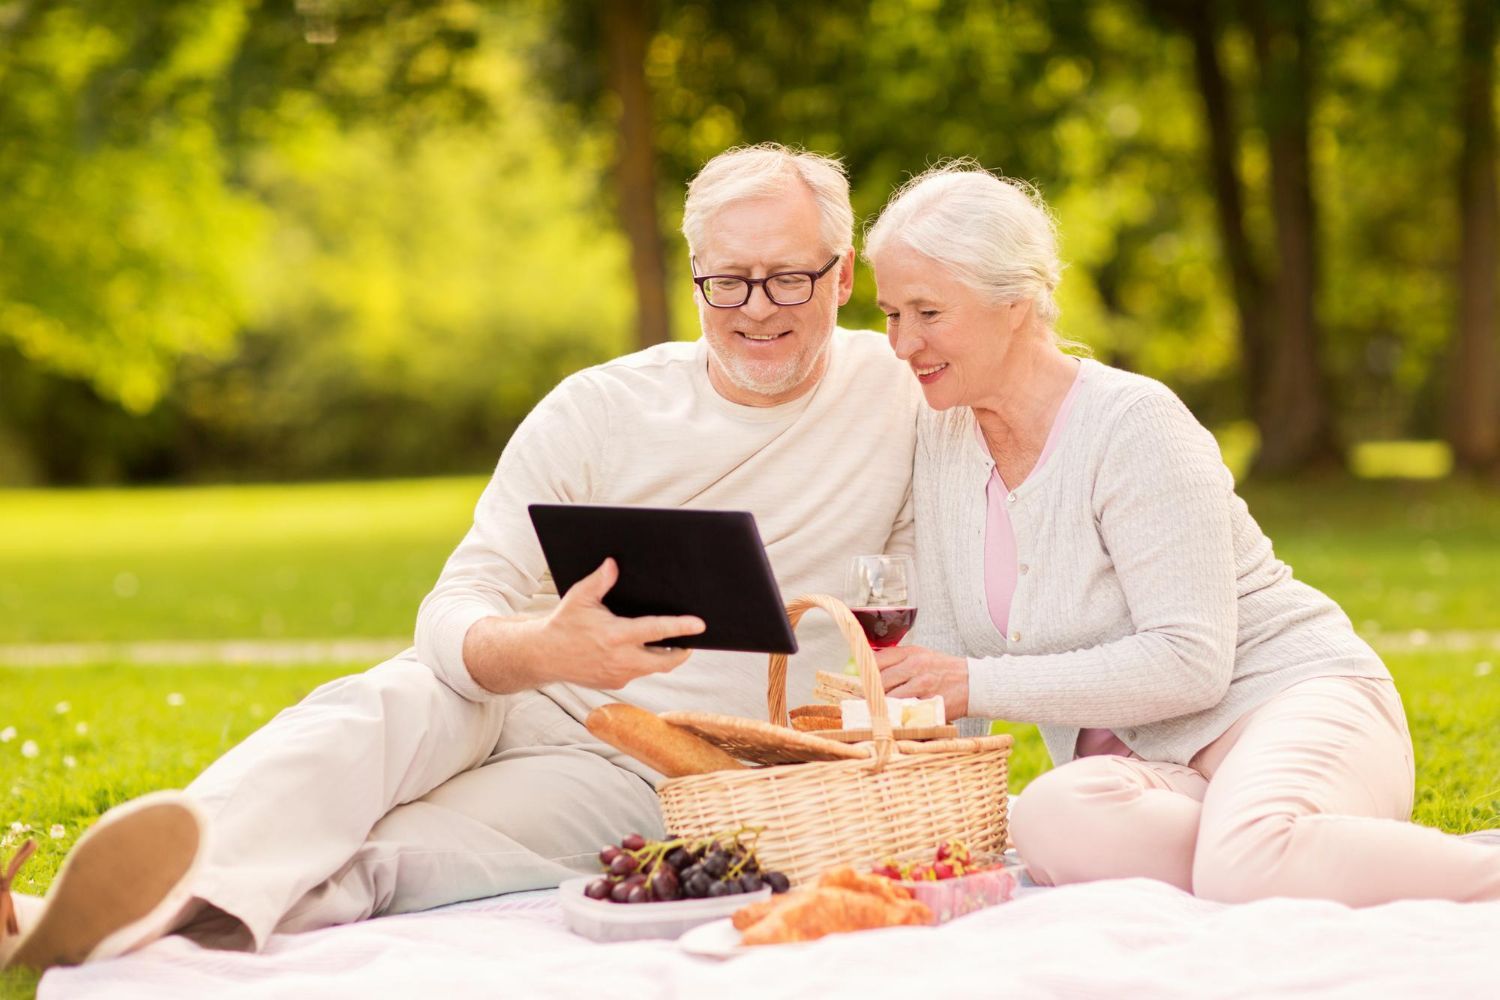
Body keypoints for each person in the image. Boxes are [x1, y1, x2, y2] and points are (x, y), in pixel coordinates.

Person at [0, 143, 921, 972]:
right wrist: (544, 651)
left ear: (842, 279)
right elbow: (456, 606)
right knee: (370, 713)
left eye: (788, 280)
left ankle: (128, 931)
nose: (757, 310)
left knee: (403, 850)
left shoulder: (902, 395)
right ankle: (82, 901)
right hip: (518, 690)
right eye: (730, 281)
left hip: (650, 771)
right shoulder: (598, 408)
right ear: (694, 279)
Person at [863, 161, 1500, 905]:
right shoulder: (942, 439)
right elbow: (947, 662)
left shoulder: (1132, 423)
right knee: (1049, 818)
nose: (902, 343)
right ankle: (1279, 858)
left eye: (927, 313)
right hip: (1166, 778)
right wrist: (935, 823)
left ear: (1017, 302)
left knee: (1245, 860)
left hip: (1292, 702)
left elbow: (1190, 661)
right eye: (889, 314)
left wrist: (974, 679)